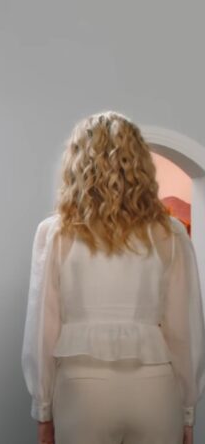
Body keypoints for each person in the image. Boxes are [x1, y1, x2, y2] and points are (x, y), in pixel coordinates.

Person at [22, 112, 205, 444]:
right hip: (155, 387)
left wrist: (43, 409)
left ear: (77, 163)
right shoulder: (171, 232)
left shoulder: (55, 233)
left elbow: (43, 329)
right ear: (139, 164)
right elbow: (185, 329)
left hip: (81, 388)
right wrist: (189, 412)